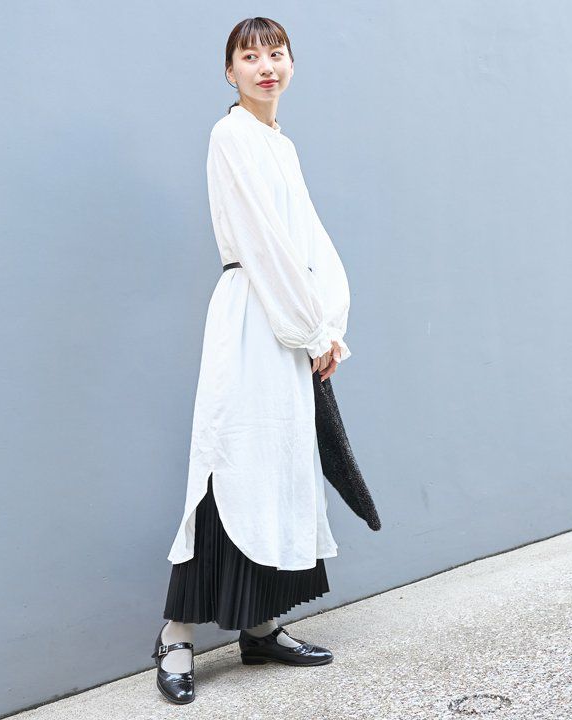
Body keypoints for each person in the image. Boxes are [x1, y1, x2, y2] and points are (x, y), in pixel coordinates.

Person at [151, 17, 352, 705]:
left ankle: (260, 627)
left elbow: (311, 242)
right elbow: (265, 244)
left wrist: (328, 326)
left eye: (277, 53)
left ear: (292, 63)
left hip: (285, 325)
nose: (266, 65)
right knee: (228, 465)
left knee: (277, 468)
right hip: (251, 318)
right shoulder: (231, 135)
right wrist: (310, 328)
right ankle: (176, 634)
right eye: (250, 55)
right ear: (229, 70)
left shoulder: (279, 144)